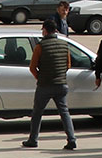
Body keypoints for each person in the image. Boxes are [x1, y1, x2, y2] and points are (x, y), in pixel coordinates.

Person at [22, 19, 77, 150]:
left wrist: (39, 77)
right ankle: (71, 139)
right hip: (61, 84)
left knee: (37, 113)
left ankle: (33, 139)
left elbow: (32, 67)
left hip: (45, 85)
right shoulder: (65, 45)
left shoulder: (40, 46)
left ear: (45, 30)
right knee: (64, 113)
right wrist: (59, 74)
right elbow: (68, 65)